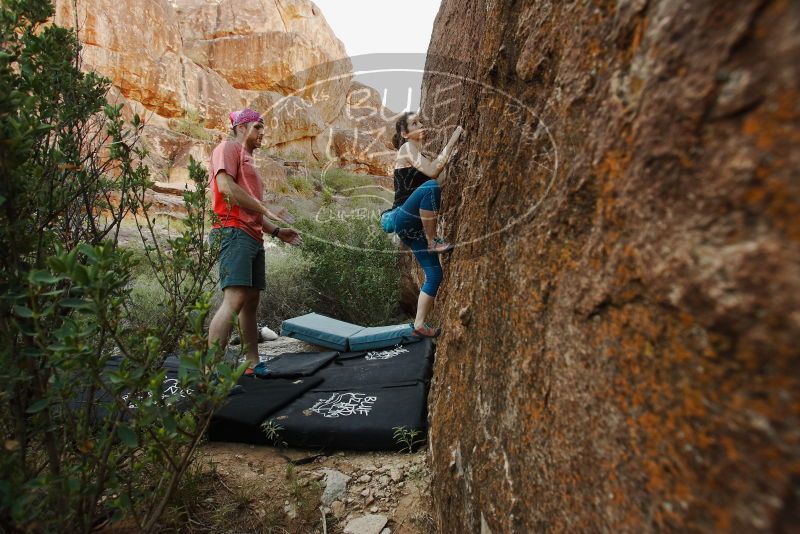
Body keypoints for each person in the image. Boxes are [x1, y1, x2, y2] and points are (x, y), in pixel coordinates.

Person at [207, 108, 303, 374]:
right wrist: (267, 209)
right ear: (241, 128)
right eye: (258, 127)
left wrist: (275, 231)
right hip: (232, 231)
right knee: (235, 298)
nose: (263, 133)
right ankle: (210, 374)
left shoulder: (247, 159)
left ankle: (252, 362)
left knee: (250, 302)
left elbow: (252, 210)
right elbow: (226, 188)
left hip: (251, 234)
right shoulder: (227, 148)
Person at [389, 111, 463, 338]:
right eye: (414, 123)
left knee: (434, 274)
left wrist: (452, 155)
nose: (420, 125)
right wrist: (454, 138)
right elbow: (433, 176)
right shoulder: (406, 148)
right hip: (403, 216)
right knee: (431, 186)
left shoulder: (416, 156)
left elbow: (438, 177)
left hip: (411, 227)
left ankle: (419, 324)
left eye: (420, 121)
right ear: (405, 133)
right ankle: (433, 241)